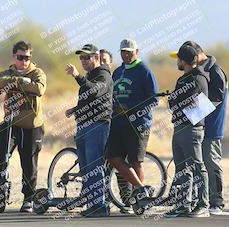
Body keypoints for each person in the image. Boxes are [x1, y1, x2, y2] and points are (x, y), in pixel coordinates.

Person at [0, 40, 46, 213]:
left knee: (29, 163)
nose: (24, 61)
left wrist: (21, 82)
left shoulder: (37, 72)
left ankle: (28, 198)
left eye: (27, 57)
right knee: (0, 150)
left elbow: (39, 89)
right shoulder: (8, 72)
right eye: (20, 57)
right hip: (11, 123)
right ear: (14, 57)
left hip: (32, 125)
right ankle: (1, 183)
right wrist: (14, 79)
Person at [106, 39, 159, 205]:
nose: (126, 54)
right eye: (123, 51)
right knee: (113, 157)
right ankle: (140, 189)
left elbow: (154, 99)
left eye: (129, 51)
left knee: (136, 161)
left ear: (137, 51)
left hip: (138, 124)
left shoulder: (144, 70)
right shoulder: (118, 71)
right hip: (118, 123)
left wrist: (130, 108)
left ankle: (138, 200)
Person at [180, 41, 228, 214]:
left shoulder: (215, 71)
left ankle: (217, 202)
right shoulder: (195, 72)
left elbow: (216, 98)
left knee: (210, 162)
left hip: (212, 126)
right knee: (197, 164)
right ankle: (199, 200)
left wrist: (192, 114)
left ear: (198, 54)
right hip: (197, 127)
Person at [65, 44, 113, 217]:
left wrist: (77, 76)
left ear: (96, 58)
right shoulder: (91, 76)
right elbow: (89, 100)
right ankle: (93, 204)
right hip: (84, 125)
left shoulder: (104, 75)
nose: (83, 61)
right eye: (81, 58)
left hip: (97, 125)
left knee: (94, 166)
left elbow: (94, 91)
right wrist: (75, 109)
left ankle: (100, 205)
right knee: (86, 167)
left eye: (86, 58)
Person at [165, 44, 210, 218]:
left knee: (197, 166)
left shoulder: (198, 78)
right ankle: (184, 204)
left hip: (192, 128)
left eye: (178, 59)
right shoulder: (183, 79)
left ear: (184, 61)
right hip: (179, 126)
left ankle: (203, 204)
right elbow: (175, 103)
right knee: (182, 168)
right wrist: (175, 101)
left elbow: (185, 103)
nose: (177, 62)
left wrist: (176, 101)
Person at [99, 48, 132, 214]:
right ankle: (103, 198)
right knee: (104, 163)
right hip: (104, 125)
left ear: (110, 62)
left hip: (120, 126)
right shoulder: (99, 79)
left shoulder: (117, 75)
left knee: (120, 162)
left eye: (105, 60)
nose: (102, 63)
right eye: (100, 59)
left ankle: (127, 200)